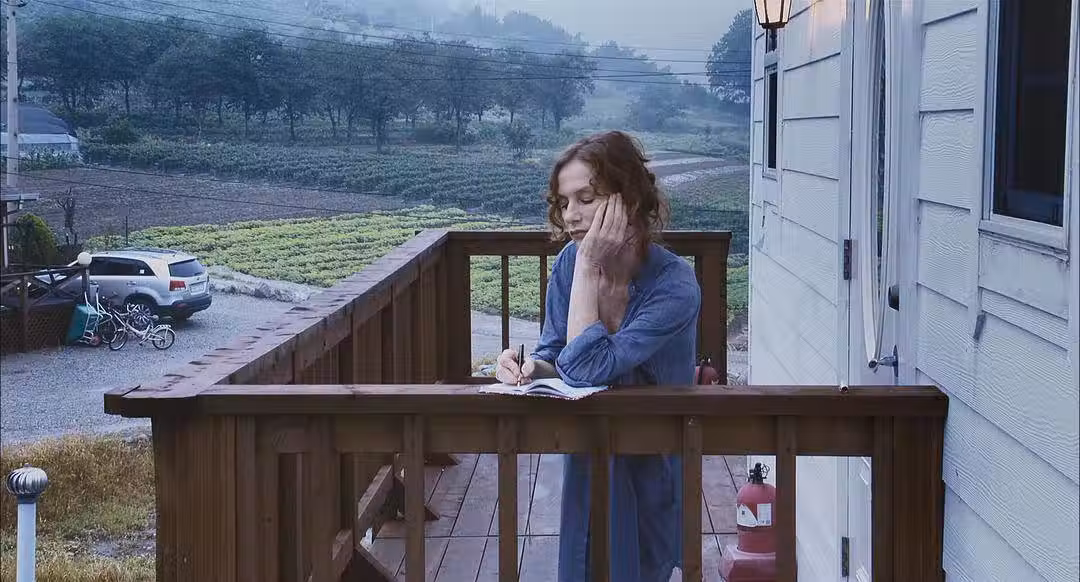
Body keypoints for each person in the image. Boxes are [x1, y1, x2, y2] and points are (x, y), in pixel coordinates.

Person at [495, 130, 702, 582]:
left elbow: (586, 370)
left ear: (629, 199)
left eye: (586, 199)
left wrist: (589, 265)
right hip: (587, 452)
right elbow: (556, 355)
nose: (571, 215)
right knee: (583, 566)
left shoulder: (674, 285)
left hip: (650, 459)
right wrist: (528, 367)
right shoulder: (569, 264)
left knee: (641, 570)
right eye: (563, 202)